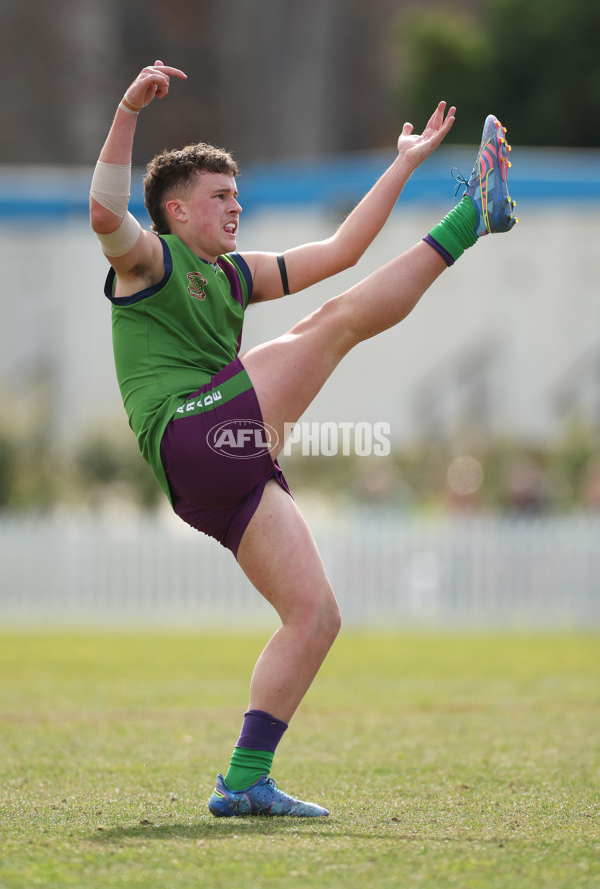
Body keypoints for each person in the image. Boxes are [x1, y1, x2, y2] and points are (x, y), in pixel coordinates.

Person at [90, 60, 517, 818]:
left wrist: (403, 163)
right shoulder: (149, 261)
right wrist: (128, 107)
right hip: (193, 434)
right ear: (176, 213)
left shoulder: (233, 274)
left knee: (315, 617)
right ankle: (470, 219)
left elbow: (345, 249)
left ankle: (244, 782)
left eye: (237, 194)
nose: (236, 206)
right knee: (334, 325)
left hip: (215, 470)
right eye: (219, 197)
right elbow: (100, 211)